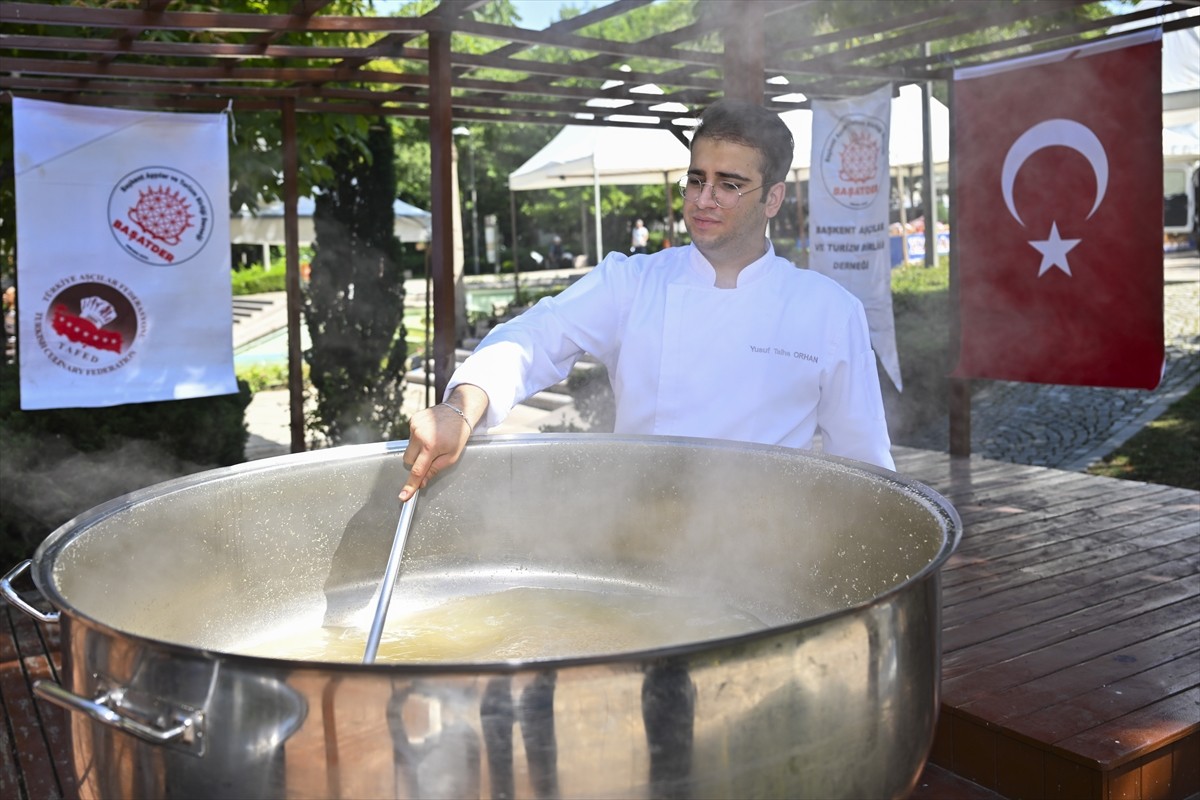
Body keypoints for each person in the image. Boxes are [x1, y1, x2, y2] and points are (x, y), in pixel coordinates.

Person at [401, 100, 893, 501]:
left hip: (763, 549)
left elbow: (864, 465)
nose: (702, 199)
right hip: (633, 533)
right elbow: (535, 337)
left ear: (774, 198)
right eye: (696, 179)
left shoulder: (829, 312)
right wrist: (461, 408)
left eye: (729, 185)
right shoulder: (632, 282)